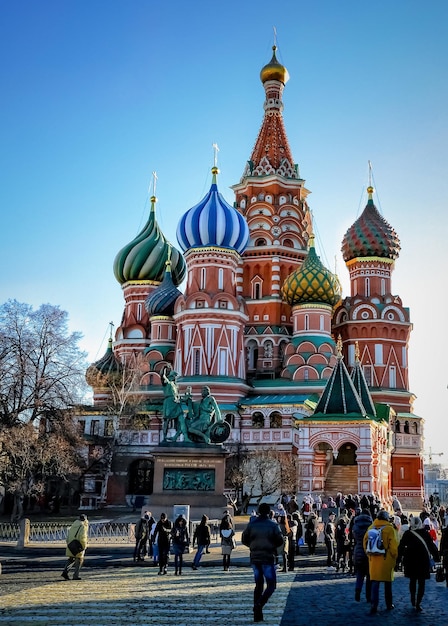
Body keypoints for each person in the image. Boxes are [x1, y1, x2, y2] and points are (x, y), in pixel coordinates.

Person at [242, 502, 284, 623]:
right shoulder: (273, 525)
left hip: (255, 557)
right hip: (267, 557)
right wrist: (272, 547)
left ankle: (257, 614)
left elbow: (244, 539)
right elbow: (280, 540)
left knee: (258, 585)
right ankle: (259, 604)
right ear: (269, 512)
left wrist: (252, 546)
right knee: (271, 585)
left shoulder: (252, 524)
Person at [398, 516, 440, 611]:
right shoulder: (425, 533)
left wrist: (398, 560)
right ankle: (418, 602)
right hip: (423, 561)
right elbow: (431, 546)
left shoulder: (408, 534)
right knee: (422, 582)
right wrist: (437, 557)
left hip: (410, 560)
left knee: (412, 580)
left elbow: (400, 547)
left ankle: (413, 597)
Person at [363, 509, 398, 614]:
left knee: (375, 583)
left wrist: (369, 555)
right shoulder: (389, 529)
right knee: (388, 584)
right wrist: (395, 557)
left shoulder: (371, 527)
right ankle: (389, 604)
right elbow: (394, 547)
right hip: (386, 559)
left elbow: (365, 543)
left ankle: (374, 605)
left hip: (373, 560)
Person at [161, 367, 190, 442]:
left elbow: (178, 396)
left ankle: (185, 437)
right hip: (169, 403)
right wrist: (163, 372)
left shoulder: (175, 386)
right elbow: (163, 377)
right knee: (167, 421)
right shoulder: (168, 383)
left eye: (175, 377)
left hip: (176, 403)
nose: (175, 378)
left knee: (181, 419)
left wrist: (185, 398)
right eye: (174, 376)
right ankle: (164, 437)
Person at [351, 508, 372, 601]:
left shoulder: (355, 525)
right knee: (369, 575)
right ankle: (368, 596)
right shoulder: (371, 526)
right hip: (368, 552)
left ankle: (357, 591)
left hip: (358, 551)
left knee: (359, 574)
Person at [61, 514, 89, 581]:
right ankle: (76, 575)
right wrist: (84, 546)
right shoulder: (83, 526)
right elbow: (83, 537)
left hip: (71, 544)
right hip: (78, 545)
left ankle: (65, 572)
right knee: (79, 560)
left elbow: (69, 535)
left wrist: (68, 543)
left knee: (71, 559)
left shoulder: (74, 525)